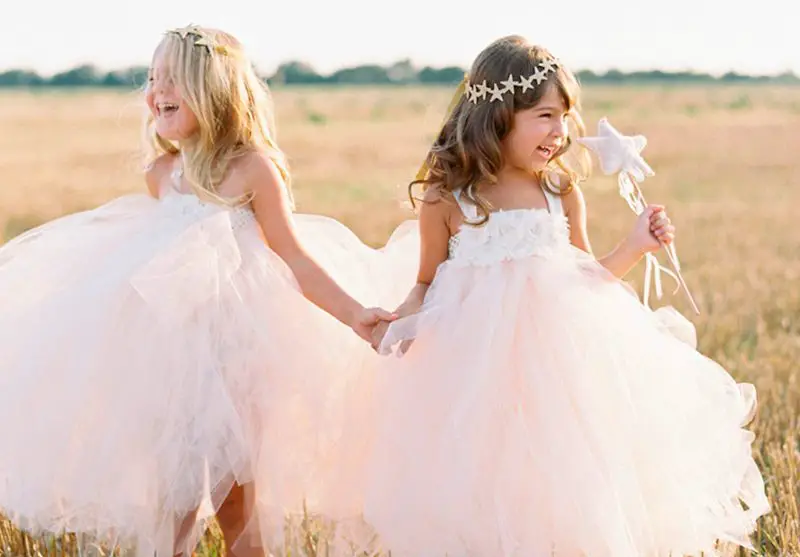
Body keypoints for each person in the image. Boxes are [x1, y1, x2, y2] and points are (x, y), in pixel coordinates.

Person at [363, 34, 770, 556]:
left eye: (565, 117)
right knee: (485, 485)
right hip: (473, 376)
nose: (560, 132)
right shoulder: (448, 197)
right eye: (545, 116)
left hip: (558, 372)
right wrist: (403, 322)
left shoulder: (560, 192)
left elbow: (586, 277)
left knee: (562, 485)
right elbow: (426, 281)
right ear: (499, 114)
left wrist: (635, 245)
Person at [0, 25, 397, 557]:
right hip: (171, 360)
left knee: (237, 503)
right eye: (151, 78)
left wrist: (354, 313)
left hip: (240, 355)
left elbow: (295, 258)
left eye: (173, 80)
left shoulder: (251, 169)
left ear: (214, 91)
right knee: (170, 503)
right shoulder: (161, 173)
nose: (156, 91)